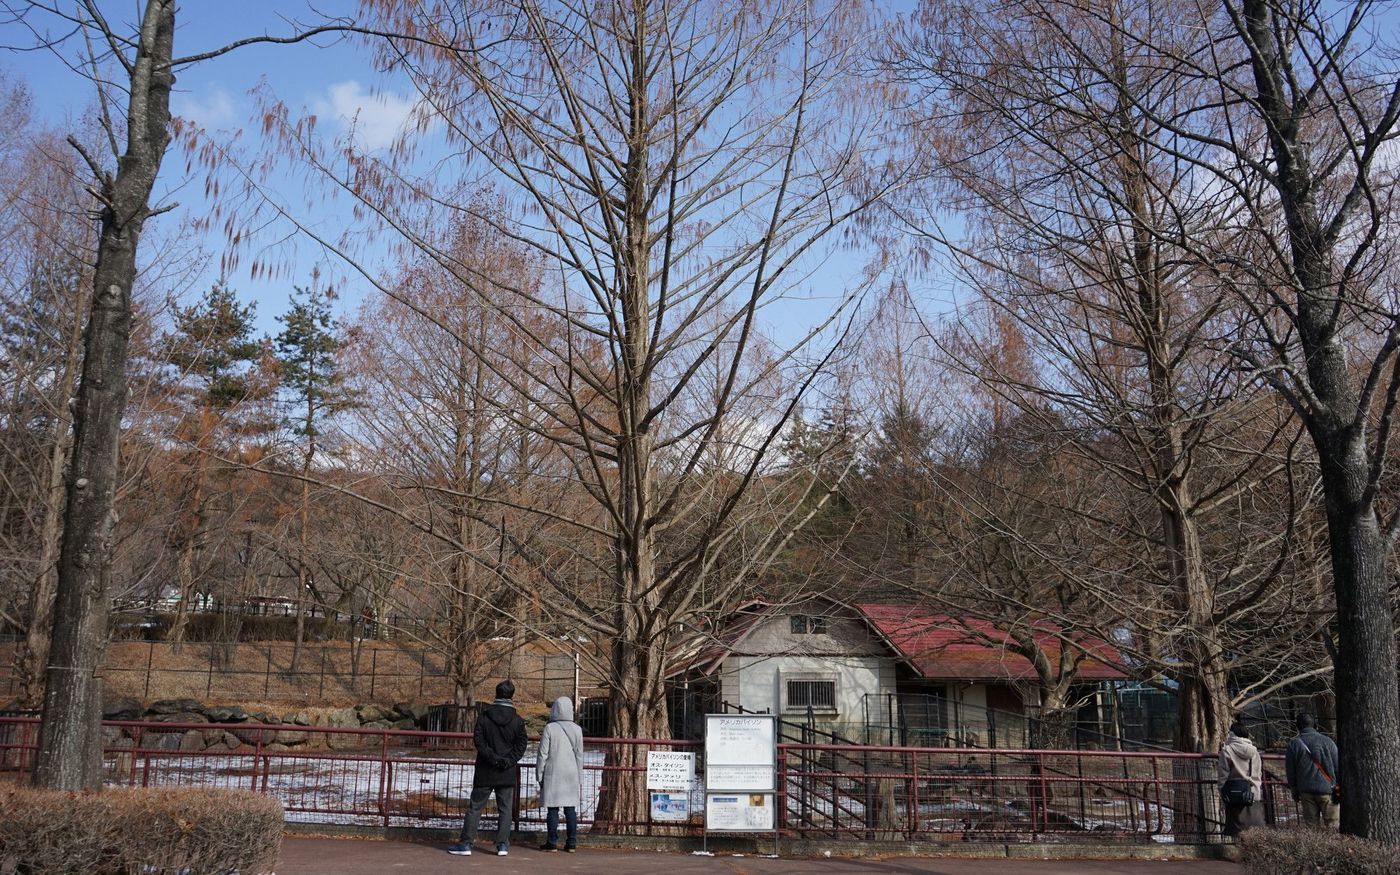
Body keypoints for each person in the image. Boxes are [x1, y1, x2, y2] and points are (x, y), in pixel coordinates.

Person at [448, 680, 529, 857]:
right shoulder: (517, 721)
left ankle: (466, 843)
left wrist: (492, 758)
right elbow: (522, 744)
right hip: (506, 771)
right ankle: (502, 845)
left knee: (475, 807)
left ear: (496, 694)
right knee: (505, 809)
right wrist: (508, 761)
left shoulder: (484, 716)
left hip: (485, 769)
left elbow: (479, 741)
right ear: (511, 696)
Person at [536, 696, 585, 853]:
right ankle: (571, 843)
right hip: (571, 773)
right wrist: (579, 776)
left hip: (553, 773)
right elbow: (579, 755)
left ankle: (552, 842)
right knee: (570, 810)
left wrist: (539, 775)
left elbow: (542, 754)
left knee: (552, 809)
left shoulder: (550, 728)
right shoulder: (577, 729)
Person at [1285, 713, 1340, 830]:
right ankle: (1333, 848)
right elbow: (1337, 766)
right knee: (1332, 826)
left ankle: (1314, 848)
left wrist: (1294, 788)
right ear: (1314, 725)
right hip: (1327, 789)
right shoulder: (1328, 741)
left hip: (1306, 791)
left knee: (1311, 827)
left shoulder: (1294, 744)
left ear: (1298, 726)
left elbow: (1291, 770)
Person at [1218, 721, 1265, 838]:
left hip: (1233, 795)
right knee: (1254, 830)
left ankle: (1238, 852)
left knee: (1237, 831)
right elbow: (1257, 773)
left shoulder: (1227, 750)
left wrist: (1222, 791)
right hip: (1252, 793)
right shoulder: (1255, 751)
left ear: (1232, 734)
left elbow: (1223, 775)